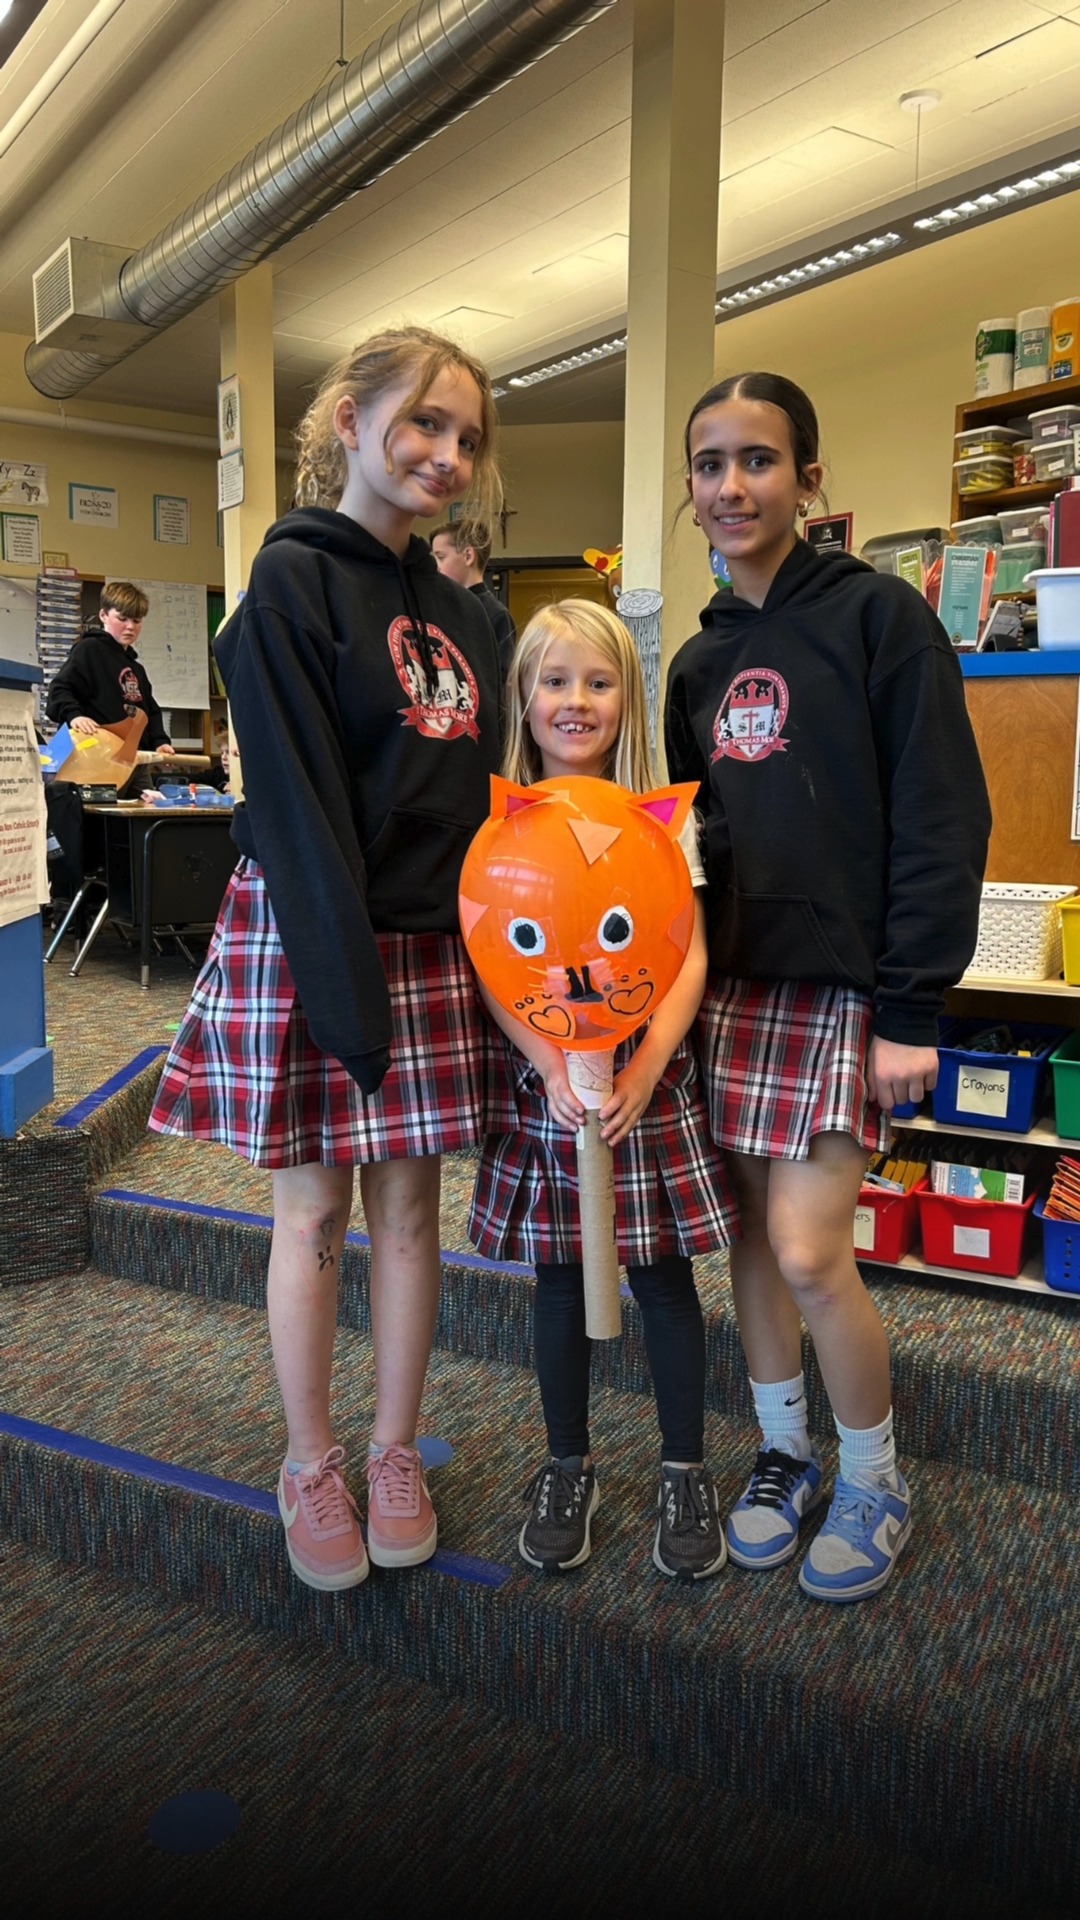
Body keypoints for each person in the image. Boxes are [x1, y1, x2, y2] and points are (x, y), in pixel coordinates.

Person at [148, 326, 515, 1592]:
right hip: (317, 934)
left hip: (427, 942)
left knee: (414, 1216)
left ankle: (393, 1448)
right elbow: (300, 807)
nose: (447, 454)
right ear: (351, 422)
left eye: (467, 436)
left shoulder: (473, 615)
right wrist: (348, 1004)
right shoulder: (289, 587)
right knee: (311, 1217)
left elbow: (482, 810)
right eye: (423, 423)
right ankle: (310, 1461)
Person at [665, 372, 991, 1603]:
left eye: (758, 460)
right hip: (738, 991)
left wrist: (913, 1008)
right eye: (709, 464)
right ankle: (785, 1453)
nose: (731, 485)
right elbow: (701, 846)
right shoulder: (698, 662)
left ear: (809, 479)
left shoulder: (881, 621)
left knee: (809, 1251)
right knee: (747, 1239)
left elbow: (942, 818)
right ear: (690, 488)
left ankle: (873, 1474)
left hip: (850, 993)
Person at [468, 599, 740, 1582]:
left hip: (644, 1085)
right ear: (524, 698)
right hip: (548, 1085)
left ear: (628, 697)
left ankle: (683, 1469)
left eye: (598, 681)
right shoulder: (507, 822)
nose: (576, 701)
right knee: (556, 1278)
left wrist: (649, 1064)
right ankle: (567, 1463)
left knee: (664, 1278)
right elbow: (494, 959)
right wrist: (546, 1062)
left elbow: (688, 957)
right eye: (555, 681)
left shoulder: (661, 821)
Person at [45, 582, 174, 792]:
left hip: (134, 760)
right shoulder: (89, 650)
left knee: (143, 816)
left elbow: (149, 710)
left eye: (137, 620)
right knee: (104, 820)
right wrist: (75, 716)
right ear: (103, 615)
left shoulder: (136, 668)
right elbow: (60, 688)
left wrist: (160, 741)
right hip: (99, 758)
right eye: (122, 619)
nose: (130, 626)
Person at [430, 518, 516, 678]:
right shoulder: (438, 609)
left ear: (468, 556)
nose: (436, 566)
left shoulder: (495, 614)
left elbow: (504, 680)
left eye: (441, 557)